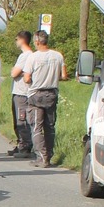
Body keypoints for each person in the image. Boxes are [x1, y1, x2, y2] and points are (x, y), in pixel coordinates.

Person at [23, 30, 68, 168]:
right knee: (50, 126)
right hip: (51, 94)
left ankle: (42, 157)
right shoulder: (58, 56)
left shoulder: (33, 57)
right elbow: (64, 76)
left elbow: (26, 78)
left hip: (36, 94)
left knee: (36, 127)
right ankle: (49, 154)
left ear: (37, 41)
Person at [9, 31, 34, 158]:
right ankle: (21, 144)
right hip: (20, 92)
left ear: (22, 40)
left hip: (21, 92)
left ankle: (25, 146)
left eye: (16, 39)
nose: (16, 41)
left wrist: (15, 71)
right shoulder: (29, 55)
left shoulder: (25, 56)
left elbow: (14, 73)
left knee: (21, 119)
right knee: (19, 119)